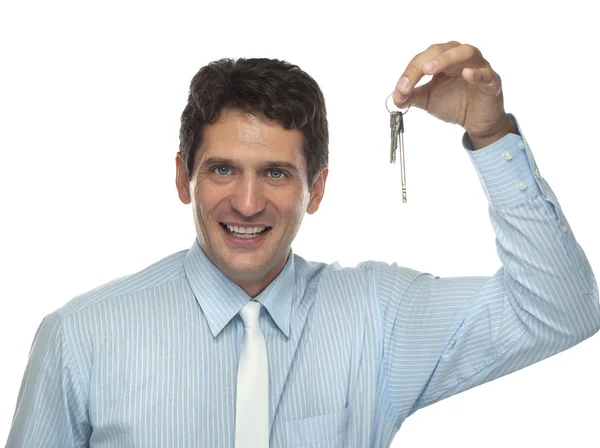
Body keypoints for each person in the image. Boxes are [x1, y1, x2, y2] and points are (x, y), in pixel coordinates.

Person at [5, 41, 599, 447]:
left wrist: (491, 134)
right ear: (182, 177)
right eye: (221, 170)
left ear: (315, 190)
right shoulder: (80, 336)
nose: (246, 201)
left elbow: (560, 311)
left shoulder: (377, 316)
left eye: (276, 174)